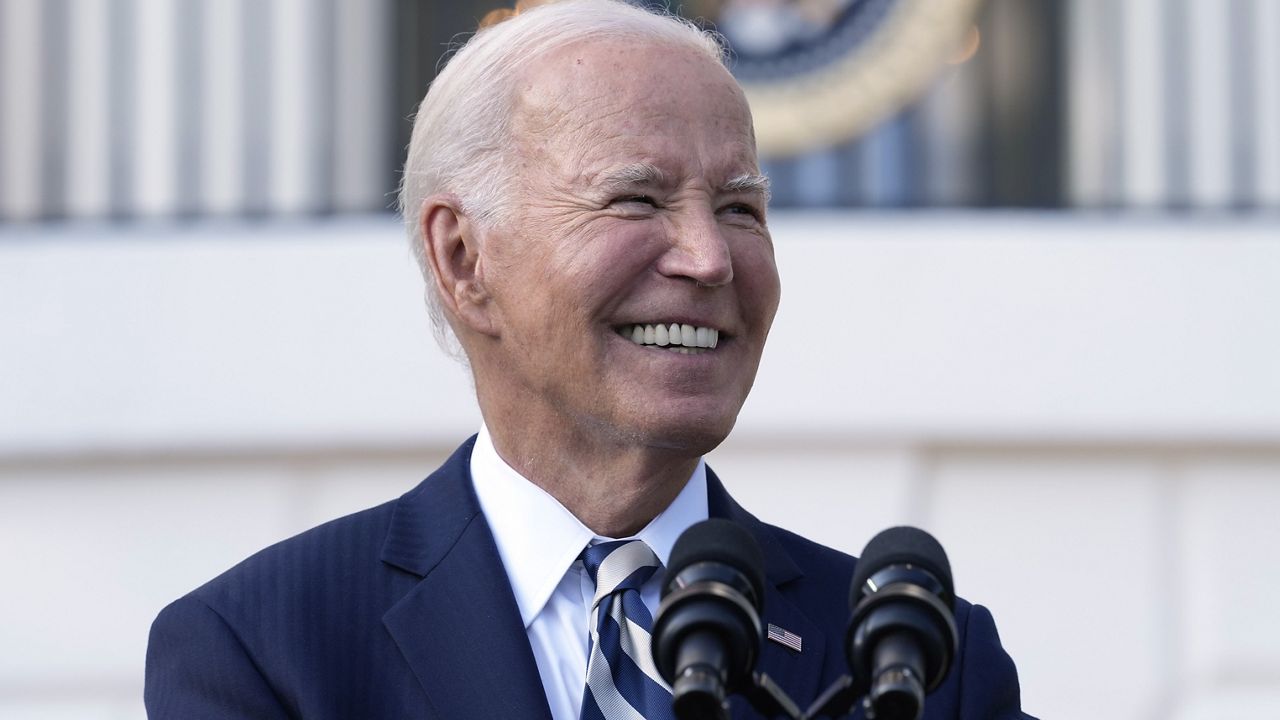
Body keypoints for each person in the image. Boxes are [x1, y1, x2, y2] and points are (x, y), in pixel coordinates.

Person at [144, 2, 1031, 719]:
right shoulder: (266, 650)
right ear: (463, 259)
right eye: (636, 199)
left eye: (739, 209)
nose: (708, 258)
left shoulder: (915, 663)